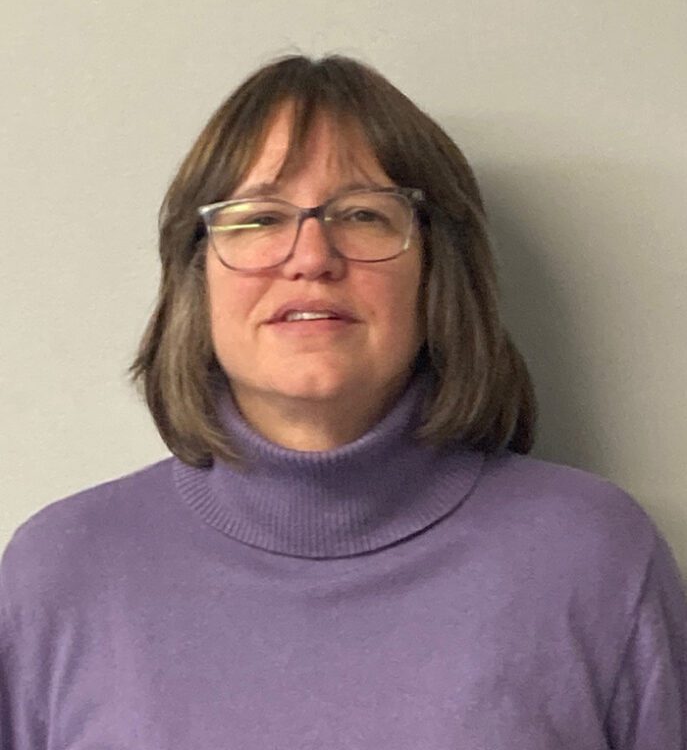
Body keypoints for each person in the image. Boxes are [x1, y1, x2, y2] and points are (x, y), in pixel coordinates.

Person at [1, 54, 685, 749]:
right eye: (258, 219)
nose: (311, 257)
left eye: (362, 214)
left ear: (436, 270)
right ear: (195, 275)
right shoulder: (61, 573)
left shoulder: (593, 558)